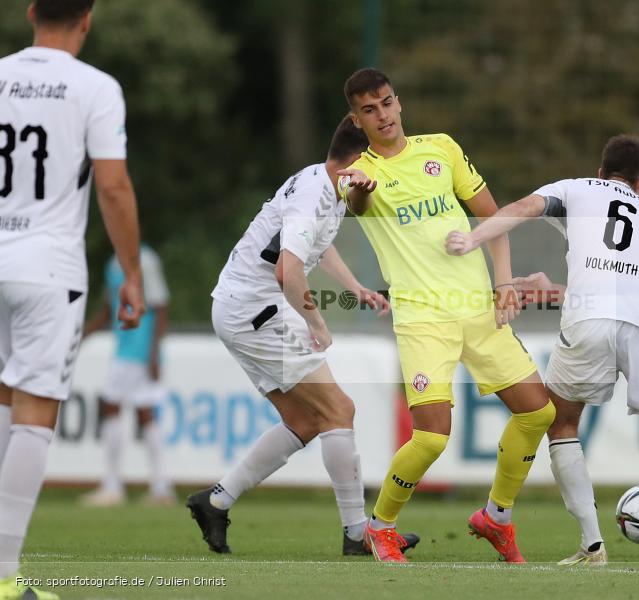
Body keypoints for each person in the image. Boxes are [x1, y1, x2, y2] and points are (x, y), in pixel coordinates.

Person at [444, 134, 639, 569]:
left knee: (562, 422)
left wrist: (474, 239)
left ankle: (593, 546)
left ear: (601, 171)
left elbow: (520, 209)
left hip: (587, 322)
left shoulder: (577, 188)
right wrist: (553, 290)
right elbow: (618, 291)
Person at [338, 68, 556, 563]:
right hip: (423, 319)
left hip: (478, 307)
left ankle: (496, 517)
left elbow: (492, 217)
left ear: (399, 102)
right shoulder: (357, 173)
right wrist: (362, 187)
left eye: (387, 103)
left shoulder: (441, 148)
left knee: (537, 410)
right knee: (433, 436)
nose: (382, 115)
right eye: (369, 110)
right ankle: (380, 528)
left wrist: (504, 282)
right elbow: (358, 203)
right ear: (356, 120)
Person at [185, 115, 419, 558]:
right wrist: (316, 322)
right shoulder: (315, 195)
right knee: (339, 410)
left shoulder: (323, 180)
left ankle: (215, 502)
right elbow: (287, 271)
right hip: (257, 311)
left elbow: (317, 245)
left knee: (307, 420)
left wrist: (355, 288)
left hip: (243, 307)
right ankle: (357, 534)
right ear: (359, 160)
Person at [0, 1, 144, 597]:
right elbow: (112, 186)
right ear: (87, 18)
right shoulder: (94, 87)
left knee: (3, 403)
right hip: (47, 269)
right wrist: (131, 273)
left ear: (31, 11)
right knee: (34, 413)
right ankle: (4, 578)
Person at [79, 245, 173, 507]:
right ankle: (161, 487)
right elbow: (109, 309)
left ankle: (112, 486)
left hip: (137, 351)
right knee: (145, 414)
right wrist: (83, 336)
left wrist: (154, 354)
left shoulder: (146, 259)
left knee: (111, 406)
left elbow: (160, 307)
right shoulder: (113, 262)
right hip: (126, 349)